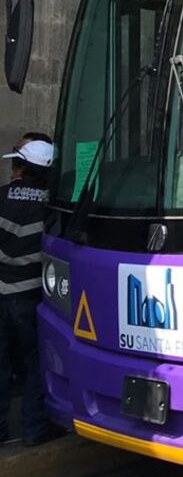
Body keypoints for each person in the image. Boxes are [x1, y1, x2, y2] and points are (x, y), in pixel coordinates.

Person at [0, 133, 63, 446]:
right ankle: (34, 429)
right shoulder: (52, 204)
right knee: (36, 362)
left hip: (1, 293)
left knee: (2, 365)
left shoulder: (2, 196)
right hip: (33, 296)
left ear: (24, 167)